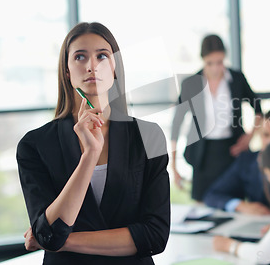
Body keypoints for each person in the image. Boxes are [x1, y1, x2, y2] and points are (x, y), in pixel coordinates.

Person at [16, 22, 170, 264]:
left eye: (102, 56)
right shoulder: (34, 145)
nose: (91, 66)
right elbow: (50, 233)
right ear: (67, 71)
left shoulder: (148, 136)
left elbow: (155, 236)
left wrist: (62, 241)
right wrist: (90, 155)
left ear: (114, 67)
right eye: (80, 57)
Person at [170, 34, 262, 201]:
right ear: (202, 60)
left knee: (233, 201)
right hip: (202, 154)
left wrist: (250, 137)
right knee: (202, 202)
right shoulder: (190, 84)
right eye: (209, 63)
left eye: (219, 62)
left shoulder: (237, 79)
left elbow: (258, 110)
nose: (215, 68)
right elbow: (176, 124)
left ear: (225, 58)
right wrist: (174, 166)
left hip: (232, 151)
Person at [204, 110, 270, 215]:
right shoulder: (246, 161)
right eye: (266, 135)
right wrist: (241, 206)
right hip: (258, 220)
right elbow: (212, 195)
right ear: (259, 135)